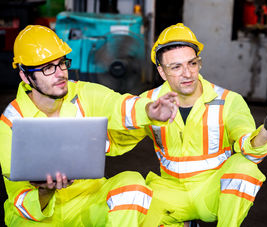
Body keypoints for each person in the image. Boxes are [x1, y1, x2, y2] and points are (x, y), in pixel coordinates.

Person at [0, 25, 179, 226]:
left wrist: (149, 111)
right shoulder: (11, 122)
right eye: (48, 68)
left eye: (62, 63)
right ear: (26, 76)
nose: (60, 73)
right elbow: (19, 196)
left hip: (88, 201)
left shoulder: (82, 94)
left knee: (132, 185)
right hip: (38, 218)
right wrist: (44, 192)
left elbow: (117, 105)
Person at [139, 23, 267, 226]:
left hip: (212, 191)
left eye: (192, 63)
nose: (187, 73)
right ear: (162, 72)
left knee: (244, 167)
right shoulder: (147, 104)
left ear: (199, 63)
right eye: (176, 67)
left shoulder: (228, 101)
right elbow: (119, 134)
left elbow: (250, 149)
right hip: (170, 192)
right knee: (130, 203)